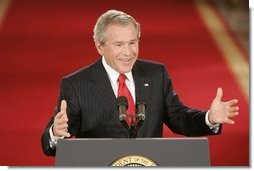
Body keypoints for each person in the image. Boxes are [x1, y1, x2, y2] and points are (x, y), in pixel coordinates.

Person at [41, 10, 239, 156]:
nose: (128, 52)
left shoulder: (155, 74)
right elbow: (54, 139)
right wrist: (56, 133)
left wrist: (209, 118)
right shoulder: (76, 84)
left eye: (133, 42)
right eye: (119, 44)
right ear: (100, 47)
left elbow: (178, 117)